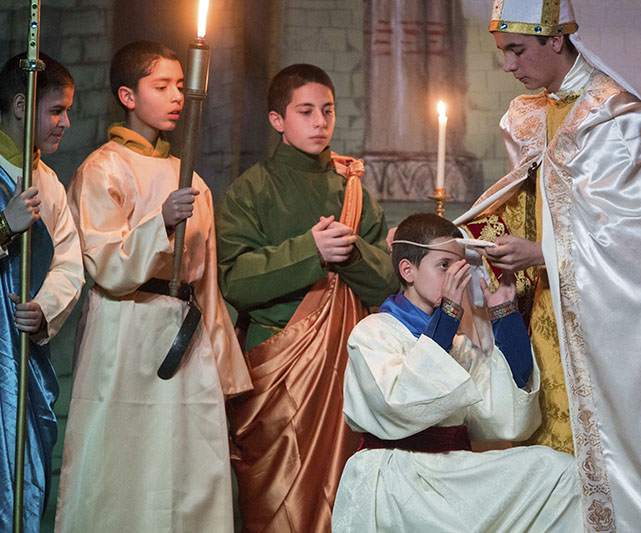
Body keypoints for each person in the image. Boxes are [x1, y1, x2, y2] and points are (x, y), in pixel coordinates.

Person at [453, 1, 641, 531]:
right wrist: (484, 236)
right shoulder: (527, 117)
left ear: (555, 39)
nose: (508, 66)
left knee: (610, 456)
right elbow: (534, 202)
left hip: (603, 323)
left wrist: (541, 252)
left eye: (517, 50)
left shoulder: (617, 117)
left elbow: (632, 242)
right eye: (502, 52)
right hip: (542, 313)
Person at [54, 41, 251, 532]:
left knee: (189, 467)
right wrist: (159, 222)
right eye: (161, 86)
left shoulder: (192, 178)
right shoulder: (103, 168)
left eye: (181, 85)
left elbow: (206, 283)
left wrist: (224, 369)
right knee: (125, 463)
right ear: (128, 95)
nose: (176, 96)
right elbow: (105, 264)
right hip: (125, 334)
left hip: (186, 338)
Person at [216, 63, 397, 532]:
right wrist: (309, 251)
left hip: (346, 366)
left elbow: (389, 280)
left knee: (345, 495)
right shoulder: (250, 190)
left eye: (328, 111)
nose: (320, 122)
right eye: (306, 111)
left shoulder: (352, 189)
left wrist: (350, 253)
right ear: (277, 120)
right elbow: (234, 279)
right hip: (277, 367)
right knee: (276, 505)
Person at [331, 213, 581, 532]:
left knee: (559, 473)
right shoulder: (374, 332)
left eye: (460, 266)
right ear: (407, 270)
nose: (456, 276)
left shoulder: (458, 345)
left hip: (451, 472)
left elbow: (504, 413)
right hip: (397, 475)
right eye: (444, 265)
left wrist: (505, 315)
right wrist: (447, 315)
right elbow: (398, 404)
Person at [0, 52, 83, 532]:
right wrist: (4, 226)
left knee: (25, 475)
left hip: (23, 356)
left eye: (67, 111)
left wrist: (43, 308)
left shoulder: (48, 185)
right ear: (20, 105)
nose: (65, 123)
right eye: (56, 111)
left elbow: (69, 263)